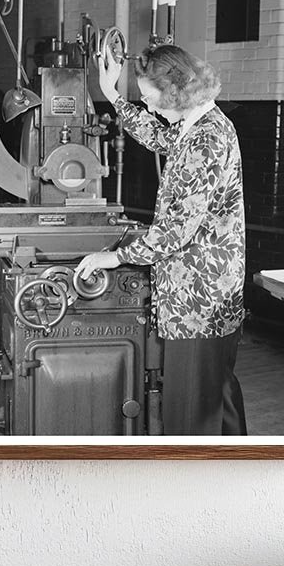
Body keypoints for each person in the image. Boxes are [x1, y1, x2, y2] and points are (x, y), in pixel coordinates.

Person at [77, 45, 247, 436]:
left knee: (191, 414)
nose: (150, 108)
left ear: (174, 91)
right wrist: (114, 96)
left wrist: (117, 258)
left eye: (152, 99)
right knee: (218, 400)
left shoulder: (205, 140)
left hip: (198, 298)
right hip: (211, 293)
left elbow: (175, 230)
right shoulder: (200, 124)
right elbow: (157, 136)